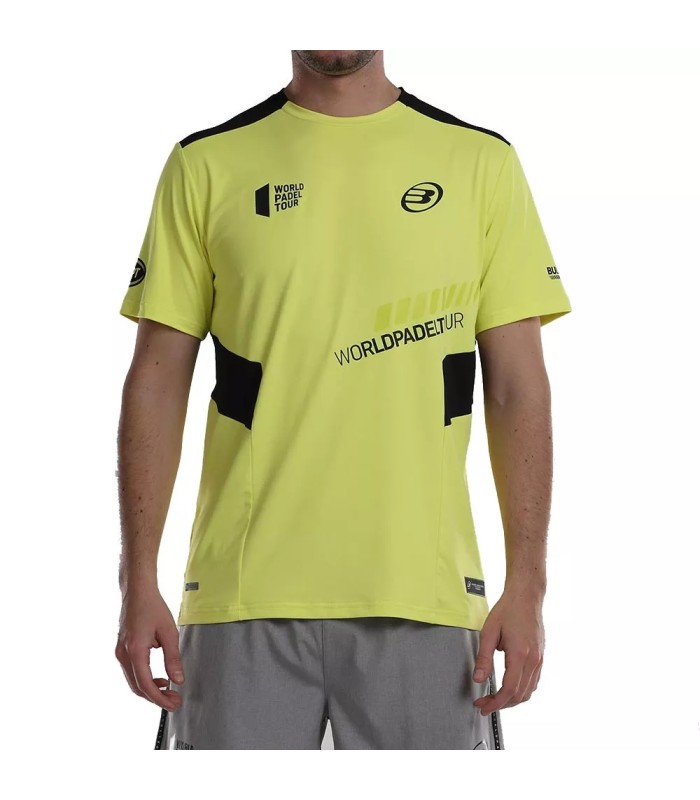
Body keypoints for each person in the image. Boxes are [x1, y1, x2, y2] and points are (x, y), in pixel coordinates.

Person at [115, 50, 572, 750]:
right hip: (241, 597)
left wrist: (529, 584)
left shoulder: (480, 164)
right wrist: (136, 578)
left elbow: (518, 388)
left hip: (425, 595)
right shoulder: (205, 164)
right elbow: (155, 381)